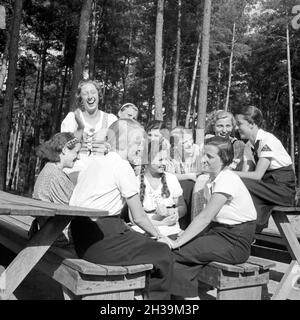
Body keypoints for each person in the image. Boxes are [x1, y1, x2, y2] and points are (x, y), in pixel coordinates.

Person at [69, 119, 173, 300]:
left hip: (81, 237)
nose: (142, 148)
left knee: (145, 243)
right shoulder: (122, 166)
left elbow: (132, 219)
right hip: (102, 240)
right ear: (123, 143)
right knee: (163, 252)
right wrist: (159, 236)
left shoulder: (94, 162)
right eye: (138, 143)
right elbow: (139, 217)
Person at [160, 136, 257, 299]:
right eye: (203, 154)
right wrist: (183, 236)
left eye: (210, 157)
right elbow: (206, 220)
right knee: (178, 259)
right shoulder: (213, 179)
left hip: (234, 241)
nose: (203, 159)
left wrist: (177, 242)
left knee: (175, 252)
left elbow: (205, 217)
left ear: (224, 159)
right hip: (219, 235)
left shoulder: (227, 179)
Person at [234, 105, 296, 232]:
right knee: (239, 184)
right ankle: (246, 230)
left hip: (282, 190)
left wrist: (230, 173)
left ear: (251, 124)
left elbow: (257, 175)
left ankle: (248, 232)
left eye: (239, 124)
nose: (236, 128)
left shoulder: (267, 140)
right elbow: (246, 173)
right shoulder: (249, 146)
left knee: (242, 183)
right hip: (267, 187)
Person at [61, 79, 118, 184]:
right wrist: (80, 129)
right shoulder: (72, 118)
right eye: (85, 93)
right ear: (80, 98)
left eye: (93, 92)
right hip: (76, 171)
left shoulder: (111, 119)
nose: (90, 96)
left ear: (98, 95)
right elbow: (66, 150)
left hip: (102, 173)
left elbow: (117, 152)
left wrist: (107, 148)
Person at [191, 110, 245, 219]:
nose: (224, 130)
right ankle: (196, 222)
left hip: (229, 178)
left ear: (233, 127)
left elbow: (229, 168)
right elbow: (197, 166)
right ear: (213, 126)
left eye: (228, 126)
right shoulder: (206, 142)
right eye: (220, 126)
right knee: (200, 180)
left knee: (202, 180)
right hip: (209, 175)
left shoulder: (237, 144)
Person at [32, 132, 81, 245]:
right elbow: (73, 211)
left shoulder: (49, 169)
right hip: (58, 237)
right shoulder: (56, 176)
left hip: (49, 233)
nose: (79, 157)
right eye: (76, 152)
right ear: (64, 150)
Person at [131, 140, 187, 237]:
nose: (164, 163)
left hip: (169, 229)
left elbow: (182, 207)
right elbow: (133, 219)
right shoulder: (135, 182)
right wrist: (162, 223)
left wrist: (173, 213)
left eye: (166, 159)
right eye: (160, 160)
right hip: (143, 228)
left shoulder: (171, 179)